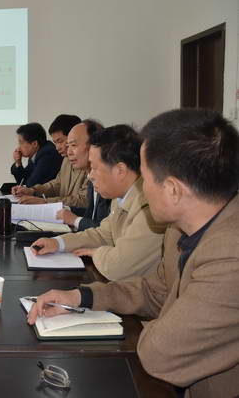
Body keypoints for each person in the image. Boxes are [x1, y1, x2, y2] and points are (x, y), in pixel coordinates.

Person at [27, 109, 239, 397]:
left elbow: (160, 354)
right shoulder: (180, 229)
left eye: (146, 178)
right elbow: (155, 291)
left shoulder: (230, 254)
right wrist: (81, 297)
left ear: (173, 190)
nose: (141, 188)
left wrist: (150, 325)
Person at [31, 125, 166, 280]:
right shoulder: (120, 198)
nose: (90, 176)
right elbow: (103, 234)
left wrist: (96, 253)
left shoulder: (150, 208)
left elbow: (118, 267)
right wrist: (58, 243)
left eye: (94, 168)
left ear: (120, 170)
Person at [14, 119, 98, 208]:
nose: (57, 148)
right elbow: (57, 184)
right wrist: (33, 191)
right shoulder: (66, 160)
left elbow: (84, 201)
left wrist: (46, 202)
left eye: (60, 141)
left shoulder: (92, 167)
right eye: (68, 145)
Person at [10, 123, 62, 188]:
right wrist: (18, 163)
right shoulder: (35, 154)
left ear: (34, 144)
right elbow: (23, 181)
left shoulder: (47, 154)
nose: (19, 147)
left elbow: (31, 185)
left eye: (21, 143)